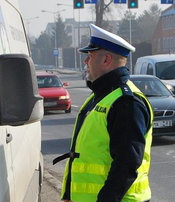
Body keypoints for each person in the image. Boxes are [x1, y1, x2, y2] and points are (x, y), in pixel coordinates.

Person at [53, 24, 153, 202]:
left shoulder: (126, 102)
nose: (85, 62)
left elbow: (126, 164)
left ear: (106, 60)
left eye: (90, 56)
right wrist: (69, 195)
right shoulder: (100, 96)